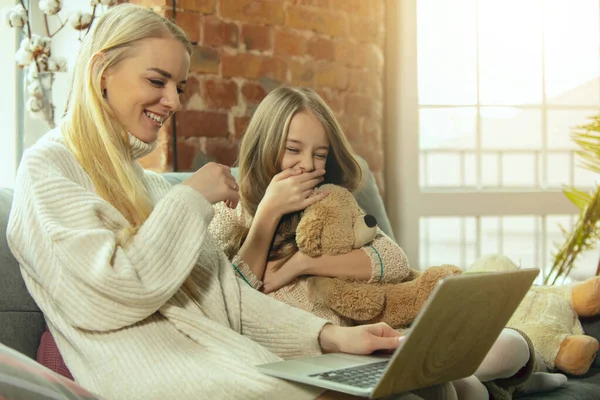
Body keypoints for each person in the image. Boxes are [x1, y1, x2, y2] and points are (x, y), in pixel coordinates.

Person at [5, 4, 442, 400]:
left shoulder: (150, 186)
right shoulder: (48, 168)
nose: (174, 101)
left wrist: (331, 336)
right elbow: (103, 296)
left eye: (179, 86)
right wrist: (191, 197)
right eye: (157, 81)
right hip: (159, 380)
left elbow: (227, 297)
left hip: (232, 359)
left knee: (407, 386)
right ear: (102, 71)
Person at [208, 87, 568, 399]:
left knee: (509, 345)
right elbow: (231, 304)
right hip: (320, 361)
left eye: (319, 154)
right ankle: (500, 386)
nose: (307, 166)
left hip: (379, 348)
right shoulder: (227, 216)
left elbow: (392, 260)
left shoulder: (330, 201)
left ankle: (496, 377)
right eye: (293, 150)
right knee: (464, 390)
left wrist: (303, 263)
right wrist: (268, 214)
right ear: (265, 146)